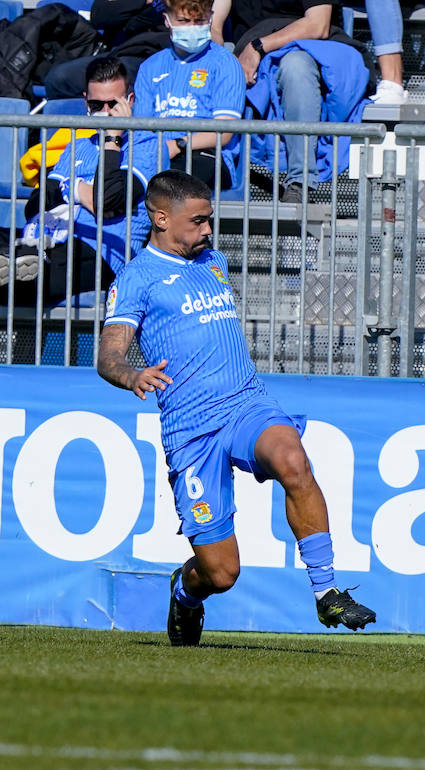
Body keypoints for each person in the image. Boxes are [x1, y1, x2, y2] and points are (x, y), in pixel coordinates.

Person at [96, 169, 376, 645]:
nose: (208, 230)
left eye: (210, 220)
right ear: (160, 218)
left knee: (293, 458)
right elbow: (108, 354)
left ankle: (327, 590)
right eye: (198, 221)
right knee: (221, 573)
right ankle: (185, 593)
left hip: (246, 404)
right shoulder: (137, 278)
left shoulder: (212, 260)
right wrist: (132, 374)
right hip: (192, 430)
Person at [21, 57, 163, 304]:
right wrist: (76, 190)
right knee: (20, 261)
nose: (105, 112)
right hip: (51, 239)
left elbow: (107, 200)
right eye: (98, 104)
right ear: (86, 101)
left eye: (113, 104)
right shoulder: (76, 145)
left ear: (129, 101)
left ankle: (16, 269)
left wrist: (113, 141)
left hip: (103, 251)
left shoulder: (146, 145)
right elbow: (34, 204)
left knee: (27, 275)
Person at [215, 0, 372, 202]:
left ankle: (300, 181)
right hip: (248, 55)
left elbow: (318, 24)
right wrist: (216, 56)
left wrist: (258, 47)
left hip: (307, 47)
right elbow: (213, 23)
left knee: (295, 67)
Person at [134, 0, 246, 189]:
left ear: (211, 18)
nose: (192, 28)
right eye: (184, 21)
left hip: (206, 155)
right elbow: (140, 128)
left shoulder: (226, 63)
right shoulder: (149, 67)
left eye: (200, 21)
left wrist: (177, 145)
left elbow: (224, 132)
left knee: (170, 183)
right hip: (155, 153)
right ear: (167, 21)